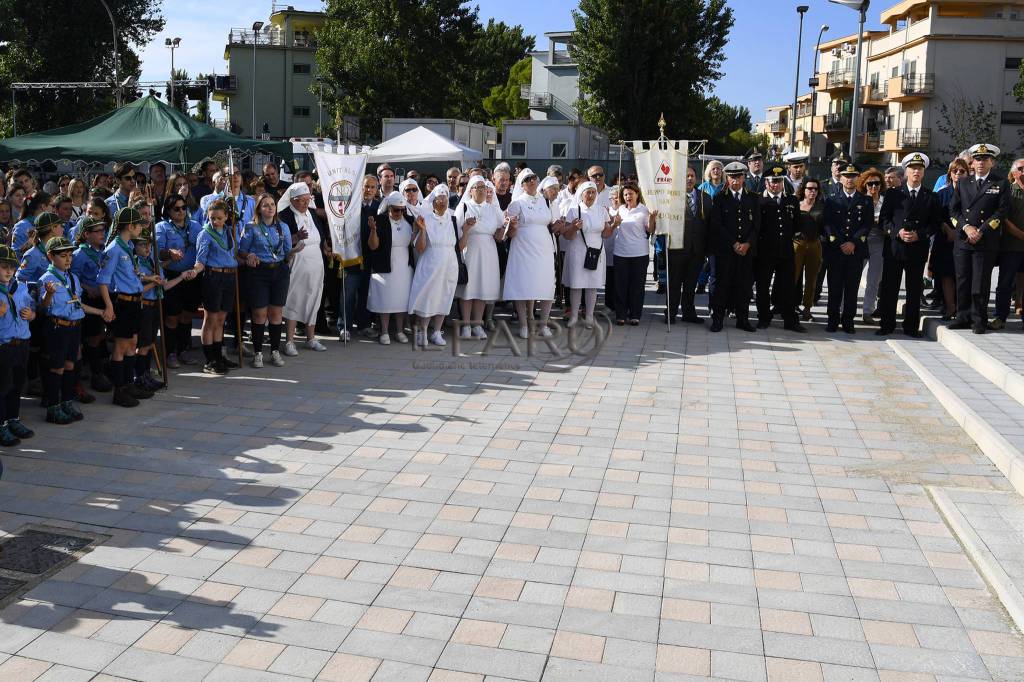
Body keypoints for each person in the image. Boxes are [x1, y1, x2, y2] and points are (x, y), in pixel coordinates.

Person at [38, 236, 107, 424]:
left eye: (70, 255)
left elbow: (78, 304)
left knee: (70, 365)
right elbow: (42, 308)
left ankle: (67, 401)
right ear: (51, 256)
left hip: (74, 326)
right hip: (57, 327)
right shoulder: (47, 279)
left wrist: (100, 312)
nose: (68, 259)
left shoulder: (73, 277)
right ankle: (53, 407)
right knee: (57, 367)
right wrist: (49, 295)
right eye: (63, 255)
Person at [876, 153, 941, 337]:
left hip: (917, 249)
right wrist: (897, 232)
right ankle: (887, 325)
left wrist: (920, 235)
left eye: (920, 169)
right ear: (906, 171)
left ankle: (911, 327)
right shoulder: (893, 194)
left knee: (914, 291)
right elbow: (884, 220)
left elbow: (934, 224)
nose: (916, 172)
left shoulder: (930, 196)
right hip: (895, 249)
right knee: (890, 289)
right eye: (913, 168)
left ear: (924, 173)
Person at [949, 144, 1010, 334]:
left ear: (992, 162)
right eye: (977, 159)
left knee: (980, 283)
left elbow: (1002, 212)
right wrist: (966, 228)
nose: (981, 162)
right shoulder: (964, 182)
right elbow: (953, 210)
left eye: (985, 159)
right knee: (963, 280)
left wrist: (981, 230)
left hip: (985, 240)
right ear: (972, 162)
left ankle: (978, 320)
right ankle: (962, 316)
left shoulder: (1000, 183)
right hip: (964, 239)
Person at [98, 208, 154, 405]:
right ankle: (119, 389)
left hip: (134, 300)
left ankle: (129, 384)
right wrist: (108, 306)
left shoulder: (127, 246)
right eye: (139, 225)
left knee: (132, 343)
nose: (141, 228)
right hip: (122, 302)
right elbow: (103, 280)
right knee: (121, 346)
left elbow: (132, 274)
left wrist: (148, 278)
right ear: (130, 226)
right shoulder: (114, 249)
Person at [182, 200, 236, 374]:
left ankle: (219, 355)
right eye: (212, 218)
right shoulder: (205, 234)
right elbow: (200, 260)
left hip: (229, 276)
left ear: (226, 217)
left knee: (221, 319)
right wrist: (195, 271)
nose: (216, 222)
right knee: (211, 318)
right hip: (213, 276)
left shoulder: (228, 231)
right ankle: (210, 359)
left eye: (219, 218)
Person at [239, 193, 293, 368]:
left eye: (272, 204)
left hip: (279, 272)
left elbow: (287, 252)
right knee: (259, 313)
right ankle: (258, 353)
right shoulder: (251, 227)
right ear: (259, 209)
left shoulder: (282, 227)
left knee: (276, 313)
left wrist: (294, 251)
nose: (270, 208)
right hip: (258, 272)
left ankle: (275, 351)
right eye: (266, 205)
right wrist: (249, 255)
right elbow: (241, 251)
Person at [504, 169, 557, 339]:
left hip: (544, 249)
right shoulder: (516, 204)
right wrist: (512, 226)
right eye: (526, 179)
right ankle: (524, 325)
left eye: (533, 178)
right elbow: (509, 234)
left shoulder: (545, 201)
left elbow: (552, 223)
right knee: (523, 286)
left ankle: (543, 325)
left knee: (546, 285)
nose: (531, 181)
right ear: (521, 184)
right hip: (523, 248)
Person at [709, 162, 760, 332]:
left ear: (744, 177)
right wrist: (734, 243)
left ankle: (742, 319)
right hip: (726, 251)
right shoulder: (719, 198)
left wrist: (747, 244)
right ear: (727, 178)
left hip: (746, 251)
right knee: (722, 286)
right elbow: (717, 225)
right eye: (731, 177)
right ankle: (717, 319)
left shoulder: (752, 198)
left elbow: (757, 226)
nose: (735, 181)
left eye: (738, 177)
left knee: (744, 287)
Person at [823, 163, 872, 333]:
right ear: (841, 178)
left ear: (858, 178)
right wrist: (840, 243)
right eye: (846, 176)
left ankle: (848, 320)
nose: (849, 179)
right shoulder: (831, 199)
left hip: (855, 251)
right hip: (836, 250)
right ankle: (832, 319)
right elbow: (827, 224)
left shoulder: (865, 200)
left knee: (852, 288)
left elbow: (867, 225)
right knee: (834, 286)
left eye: (853, 176)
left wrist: (854, 243)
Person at [279, 183, 328, 354]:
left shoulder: (312, 213)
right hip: (297, 262)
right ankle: (289, 341)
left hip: (316, 262)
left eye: (308, 200)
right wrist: (296, 237)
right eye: (302, 201)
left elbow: (319, 236)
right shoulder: (284, 216)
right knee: (294, 298)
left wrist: (325, 247)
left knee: (314, 298)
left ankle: (311, 338)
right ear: (292, 200)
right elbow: (280, 242)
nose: (306, 204)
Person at [156, 194, 203, 368]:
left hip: (191, 276)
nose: (181, 211)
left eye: (184, 208)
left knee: (187, 315)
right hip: (172, 275)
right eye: (176, 208)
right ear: (168, 211)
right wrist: (169, 253)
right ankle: (170, 353)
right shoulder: (162, 227)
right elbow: (158, 252)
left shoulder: (196, 226)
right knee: (172, 317)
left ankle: (183, 349)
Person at [407, 185, 459, 346]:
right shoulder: (426, 218)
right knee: (427, 296)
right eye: (439, 198)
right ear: (433, 201)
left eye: (445, 197)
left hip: (449, 262)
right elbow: (420, 248)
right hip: (430, 261)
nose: (443, 200)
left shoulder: (453, 218)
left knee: (445, 295)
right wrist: (421, 230)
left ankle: (436, 331)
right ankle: (422, 331)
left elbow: (459, 244)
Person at [756, 164, 805, 332]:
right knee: (763, 286)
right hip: (765, 252)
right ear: (766, 183)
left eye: (778, 181)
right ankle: (763, 317)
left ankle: (790, 320)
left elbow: (797, 224)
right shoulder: (759, 201)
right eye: (772, 181)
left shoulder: (791, 200)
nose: (775, 185)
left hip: (785, 251)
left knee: (788, 287)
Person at [561, 180, 614, 328]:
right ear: (582, 194)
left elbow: (606, 234)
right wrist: (573, 227)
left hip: (595, 251)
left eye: (593, 192)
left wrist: (613, 224)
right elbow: (567, 236)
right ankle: (574, 316)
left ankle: (589, 316)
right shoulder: (573, 210)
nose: (590, 195)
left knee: (592, 285)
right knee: (576, 285)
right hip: (578, 250)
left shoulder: (602, 210)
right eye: (588, 192)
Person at [133, 229, 182, 390]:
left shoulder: (153, 262)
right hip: (144, 306)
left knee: (150, 342)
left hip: (156, 304)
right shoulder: (135, 263)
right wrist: (153, 282)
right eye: (142, 245)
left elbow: (164, 285)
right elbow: (136, 290)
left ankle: (146, 374)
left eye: (149, 245)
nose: (147, 248)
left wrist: (181, 277)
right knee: (143, 343)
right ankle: (139, 376)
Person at [455, 176, 502, 338]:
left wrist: (506, 227)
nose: (481, 190)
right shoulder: (464, 206)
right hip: (470, 249)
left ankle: (477, 324)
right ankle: (466, 325)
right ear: (471, 190)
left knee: (482, 287)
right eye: (477, 187)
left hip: (488, 250)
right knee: (469, 288)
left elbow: (498, 233)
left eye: (483, 187)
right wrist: (466, 228)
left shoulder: (492, 208)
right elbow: (457, 231)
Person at [665, 166, 711, 324]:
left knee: (691, 284)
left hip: (697, 250)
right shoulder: (670, 198)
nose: (689, 179)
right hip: (677, 248)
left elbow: (709, 224)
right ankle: (670, 313)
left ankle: (688, 313)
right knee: (675, 283)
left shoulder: (705, 198)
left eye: (691, 176)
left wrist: (707, 249)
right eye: (685, 176)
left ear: (696, 178)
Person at [367, 192, 415, 344]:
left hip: (405, 267)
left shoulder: (409, 220)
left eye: (402, 210)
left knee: (401, 299)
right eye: (396, 210)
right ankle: (384, 331)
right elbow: (373, 246)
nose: (399, 213)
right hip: (385, 265)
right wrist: (373, 230)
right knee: (385, 299)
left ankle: (400, 331)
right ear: (388, 208)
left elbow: (413, 241)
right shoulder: (379, 220)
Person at [71, 217, 112, 392]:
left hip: (103, 297)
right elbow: (73, 278)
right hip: (89, 299)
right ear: (86, 234)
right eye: (98, 231)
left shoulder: (103, 250)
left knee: (100, 335)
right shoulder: (79, 254)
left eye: (103, 230)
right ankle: (95, 374)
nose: (102, 234)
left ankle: (98, 368)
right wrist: (87, 287)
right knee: (92, 337)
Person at [0, 244, 35, 445]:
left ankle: (13, 419)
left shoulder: (20, 287)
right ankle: (2, 424)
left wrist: (32, 315)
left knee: (16, 385)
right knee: (2, 387)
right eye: (3, 267)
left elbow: (32, 310)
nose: (8, 271)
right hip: (3, 346)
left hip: (21, 343)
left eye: (11, 267)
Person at [611, 182, 656, 325]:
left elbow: (650, 230)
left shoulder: (644, 209)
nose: (628, 196)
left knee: (637, 285)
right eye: (625, 194)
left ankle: (635, 314)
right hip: (621, 253)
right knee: (620, 285)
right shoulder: (619, 210)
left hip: (639, 253)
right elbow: (612, 225)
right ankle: (621, 315)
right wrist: (615, 222)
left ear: (637, 194)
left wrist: (652, 218)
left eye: (631, 193)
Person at [931, 159, 967, 321]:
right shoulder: (942, 193)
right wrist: (946, 229)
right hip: (945, 239)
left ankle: (961, 308)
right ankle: (950, 306)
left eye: (962, 171)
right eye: (955, 171)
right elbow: (935, 216)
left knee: (962, 274)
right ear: (950, 174)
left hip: (964, 239)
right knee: (946, 274)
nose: (958, 174)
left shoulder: (973, 192)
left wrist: (959, 232)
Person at [990, 158, 1024, 330]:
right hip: (1011, 247)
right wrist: (1021, 235)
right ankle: (1000, 317)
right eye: (1021, 168)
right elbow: (1004, 219)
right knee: (1005, 283)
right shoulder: (1008, 191)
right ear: (1014, 172)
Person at [793, 178, 824, 322]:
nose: (813, 191)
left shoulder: (822, 206)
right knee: (793, 276)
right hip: (797, 244)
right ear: (803, 190)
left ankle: (807, 308)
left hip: (814, 244)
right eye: (810, 188)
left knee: (812, 279)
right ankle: (790, 306)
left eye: (815, 189)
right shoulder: (796, 205)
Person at [858, 168, 886, 323]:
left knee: (874, 279)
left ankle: (868, 311)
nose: (873, 187)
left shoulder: (885, 201)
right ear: (864, 184)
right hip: (861, 242)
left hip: (879, 241)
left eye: (877, 183)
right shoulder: (859, 200)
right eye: (870, 184)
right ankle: (844, 309)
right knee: (852, 277)